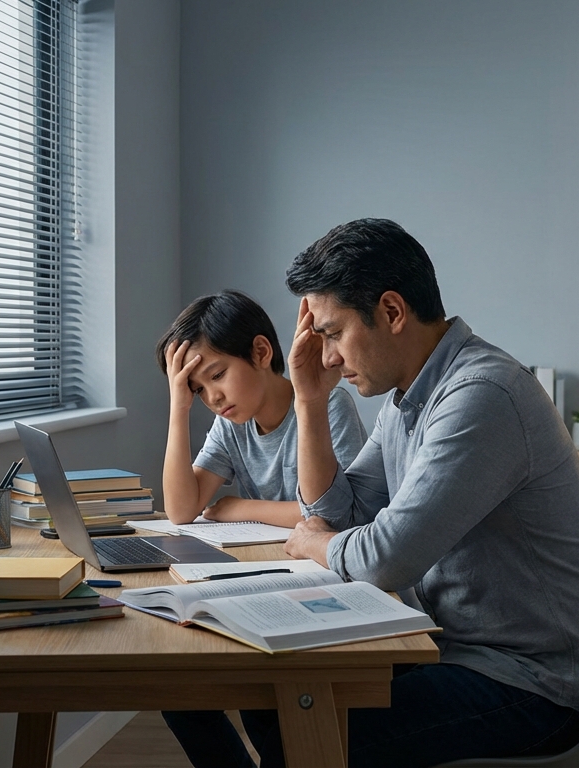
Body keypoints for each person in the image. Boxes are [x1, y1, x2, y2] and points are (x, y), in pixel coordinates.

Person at [234, 219, 579, 767]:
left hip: (530, 683)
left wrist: (314, 544)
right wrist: (309, 402)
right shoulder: (409, 396)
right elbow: (342, 511)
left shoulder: (479, 395)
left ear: (392, 312)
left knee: (298, 733)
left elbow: (384, 558)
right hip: (455, 649)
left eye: (333, 333)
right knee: (270, 698)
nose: (327, 357)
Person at [154, 289, 369, 768]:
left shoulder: (325, 406)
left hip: (327, 588)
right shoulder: (232, 424)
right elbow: (181, 509)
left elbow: (337, 517)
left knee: (275, 722)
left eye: (217, 376)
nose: (213, 398)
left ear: (260, 352)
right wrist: (177, 408)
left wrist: (240, 507)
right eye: (198, 390)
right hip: (268, 578)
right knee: (180, 697)